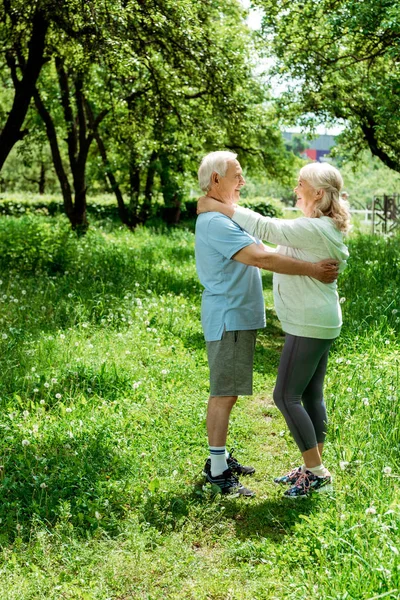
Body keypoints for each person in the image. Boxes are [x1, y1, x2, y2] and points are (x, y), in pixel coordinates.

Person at [197, 160, 350, 498]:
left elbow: (267, 232)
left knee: (285, 395)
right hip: (314, 320)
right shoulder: (316, 225)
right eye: (237, 176)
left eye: (300, 184)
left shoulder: (314, 227)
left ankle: (316, 473)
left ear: (319, 193)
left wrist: (216, 204)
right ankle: (311, 467)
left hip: (310, 321)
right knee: (309, 394)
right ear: (217, 179)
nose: (296, 189)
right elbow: (263, 253)